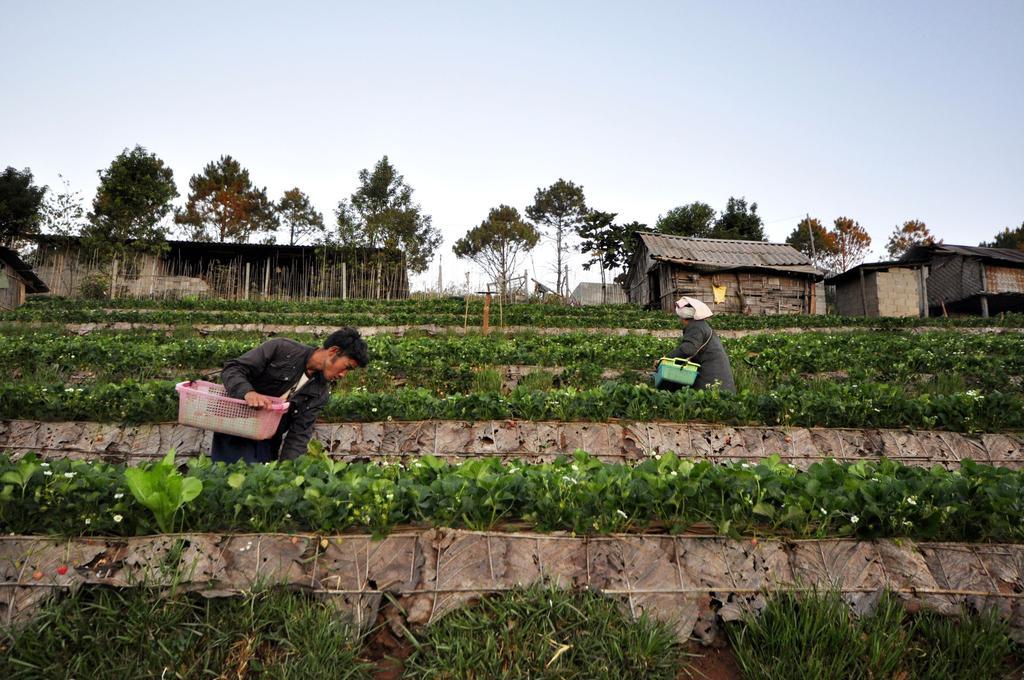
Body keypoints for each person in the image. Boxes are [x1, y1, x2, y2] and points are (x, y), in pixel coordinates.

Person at [211, 327, 369, 464]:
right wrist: (248, 392)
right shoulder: (281, 349)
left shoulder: (320, 393)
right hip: (236, 430)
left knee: (259, 488)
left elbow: (298, 435)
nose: (343, 375)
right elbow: (233, 369)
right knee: (232, 482)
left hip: (267, 441)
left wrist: (288, 472)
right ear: (334, 351)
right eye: (346, 367)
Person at [657, 296, 735, 393]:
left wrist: (664, 359)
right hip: (718, 377)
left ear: (683, 317)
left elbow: (688, 349)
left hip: (712, 377)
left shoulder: (695, 327)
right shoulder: (700, 325)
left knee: (706, 402)